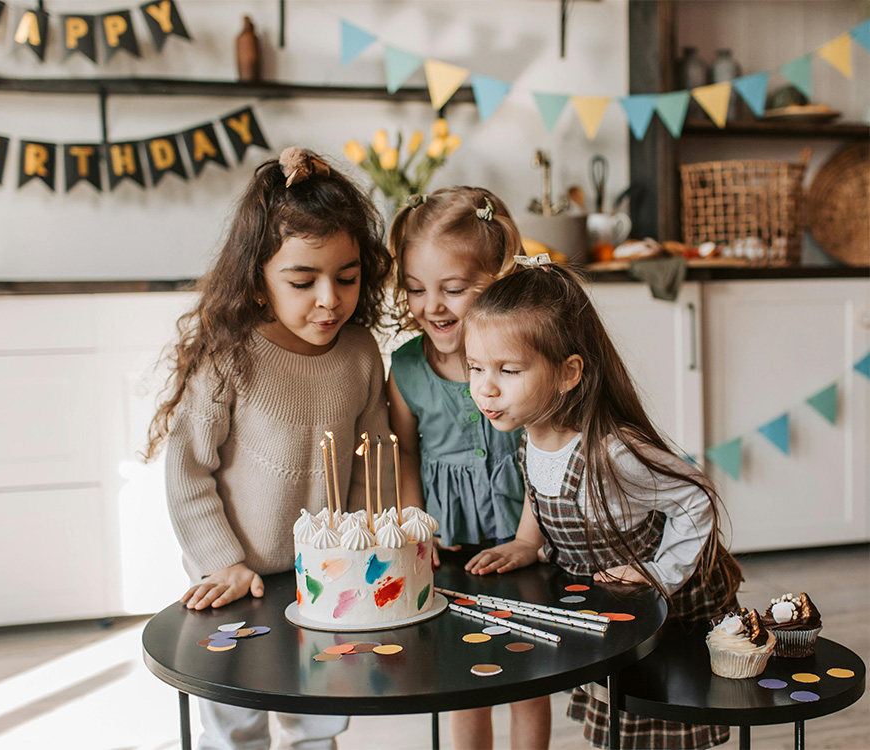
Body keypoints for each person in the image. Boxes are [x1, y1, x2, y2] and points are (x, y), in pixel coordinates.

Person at [146, 147, 394, 750]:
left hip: (325, 577)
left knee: (319, 712)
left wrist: (362, 545)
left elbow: (370, 460)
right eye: (303, 281)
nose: (330, 299)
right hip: (236, 577)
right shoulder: (229, 356)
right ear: (258, 278)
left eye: (348, 277)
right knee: (236, 720)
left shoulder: (360, 353)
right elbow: (188, 470)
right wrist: (220, 559)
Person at [463, 257, 744, 750]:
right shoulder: (530, 433)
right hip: (614, 610)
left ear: (568, 373)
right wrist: (528, 541)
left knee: (664, 726)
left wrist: (661, 571)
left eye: (507, 370)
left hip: (669, 611)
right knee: (619, 725)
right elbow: (539, 486)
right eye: (475, 368)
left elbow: (696, 497)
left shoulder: (612, 452)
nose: (485, 387)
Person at [386, 187, 550, 750]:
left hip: (519, 541)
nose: (432, 305)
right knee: (463, 677)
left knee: (530, 676)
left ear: (495, 280)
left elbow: (543, 447)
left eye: (453, 289)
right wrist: (413, 524)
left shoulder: (522, 360)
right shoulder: (405, 368)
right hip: (446, 550)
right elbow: (405, 450)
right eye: (415, 289)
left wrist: (530, 539)